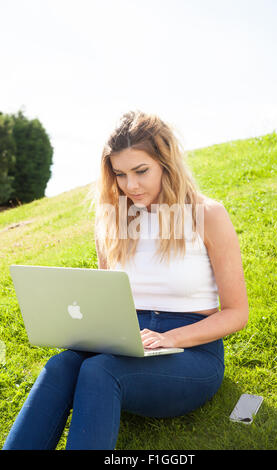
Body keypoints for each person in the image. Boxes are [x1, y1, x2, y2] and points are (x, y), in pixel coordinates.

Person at [2, 110, 249, 450]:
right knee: (60, 366)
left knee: (100, 371)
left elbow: (237, 313)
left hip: (191, 352)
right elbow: (109, 301)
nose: (130, 185)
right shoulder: (112, 221)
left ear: (167, 163)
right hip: (128, 340)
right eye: (120, 174)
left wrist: (170, 337)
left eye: (141, 171)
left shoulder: (207, 215)